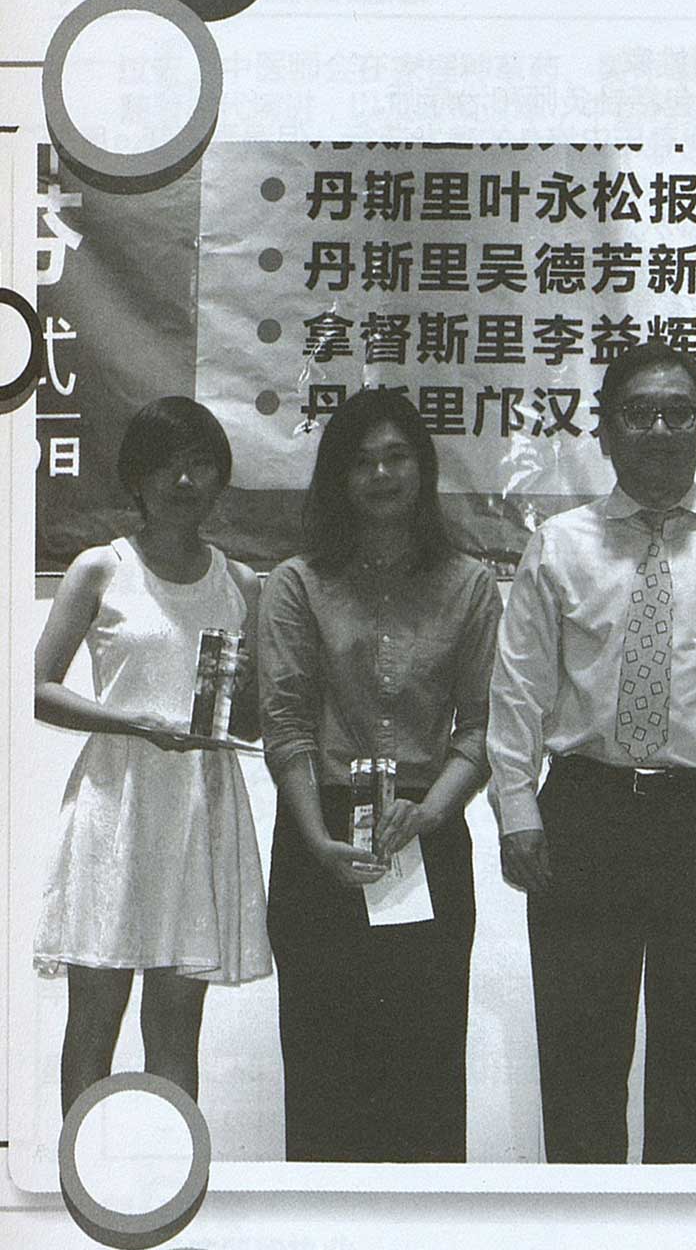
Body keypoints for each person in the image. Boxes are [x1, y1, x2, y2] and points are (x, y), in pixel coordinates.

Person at [488, 341, 696, 1164]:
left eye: (678, 413)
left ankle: (694, 1240)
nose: (660, 430)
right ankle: (583, 1237)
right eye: (639, 414)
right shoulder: (558, 546)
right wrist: (516, 808)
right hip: (585, 813)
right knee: (580, 1058)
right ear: (604, 431)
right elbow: (518, 690)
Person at [258, 388, 498, 1163]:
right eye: (362, 462)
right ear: (339, 479)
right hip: (320, 837)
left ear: (424, 470)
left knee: (425, 1067)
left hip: (426, 831)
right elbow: (286, 726)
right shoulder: (296, 583)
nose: (382, 474)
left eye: (398, 457)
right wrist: (317, 839)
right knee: (324, 1068)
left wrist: (431, 812)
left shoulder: (469, 584)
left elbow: (481, 727)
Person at [35, 396, 270, 1116]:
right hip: (118, 803)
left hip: (200, 806)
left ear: (220, 478)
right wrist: (132, 721)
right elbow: (36, 689)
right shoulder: (99, 568)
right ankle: (80, 1173)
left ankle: (171, 1175)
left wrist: (248, 694)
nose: (184, 481)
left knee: (175, 1027)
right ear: (137, 477)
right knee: (94, 1019)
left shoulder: (241, 584)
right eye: (167, 465)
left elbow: (253, 720)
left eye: (201, 464)